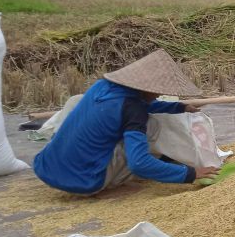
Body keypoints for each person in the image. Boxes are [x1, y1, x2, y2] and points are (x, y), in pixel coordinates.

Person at [33, 49, 219, 195]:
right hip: (86, 181)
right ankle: (115, 179)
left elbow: (132, 105)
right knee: (153, 126)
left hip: (47, 168)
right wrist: (191, 174)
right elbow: (139, 163)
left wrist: (179, 107)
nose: (157, 94)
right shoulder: (134, 110)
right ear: (145, 87)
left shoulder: (103, 86)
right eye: (157, 91)